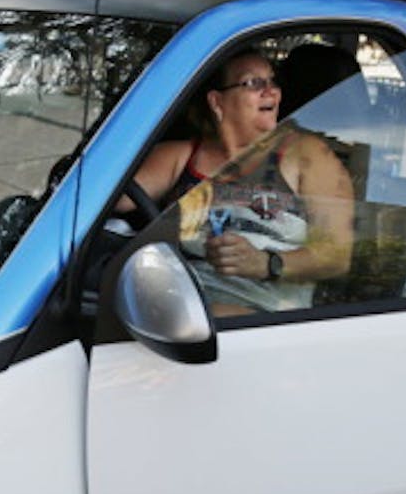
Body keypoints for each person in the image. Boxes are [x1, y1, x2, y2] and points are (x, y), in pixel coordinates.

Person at [126, 49, 354, 315]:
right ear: (217, 101)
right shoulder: (183, 155)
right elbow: (103, 200)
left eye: (272, 81)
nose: (272, 92)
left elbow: (337, 255)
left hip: (261, 321)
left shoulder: (307, 154)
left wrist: (267, 264)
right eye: (253, 83)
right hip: (178, 303)